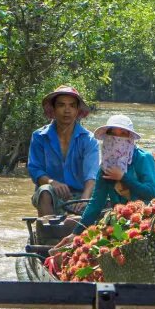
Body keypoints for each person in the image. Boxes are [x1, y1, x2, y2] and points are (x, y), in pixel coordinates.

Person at [78, 114, 155, 228]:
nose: (117, 139)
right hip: (127, 220)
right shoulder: (106, 166)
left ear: (130, 138)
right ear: (106, 136)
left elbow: (150, 192)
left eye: (123, 134)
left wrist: (123, 177)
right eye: (112, 133)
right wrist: (76, 232)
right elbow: (96, 203)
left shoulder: (143, 158)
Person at [27, 85, 100, 216]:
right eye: (61, 105)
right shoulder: (39, 136)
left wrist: (84, 199)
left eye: (72, 106)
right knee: (44, 191)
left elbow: (92, 175)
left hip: (80, 194)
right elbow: (34, 169)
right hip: (51, 193)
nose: (67, 110)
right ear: (53, 109)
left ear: (77, 110)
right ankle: (47, 233)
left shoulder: (89, 140)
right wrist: (52, 182)